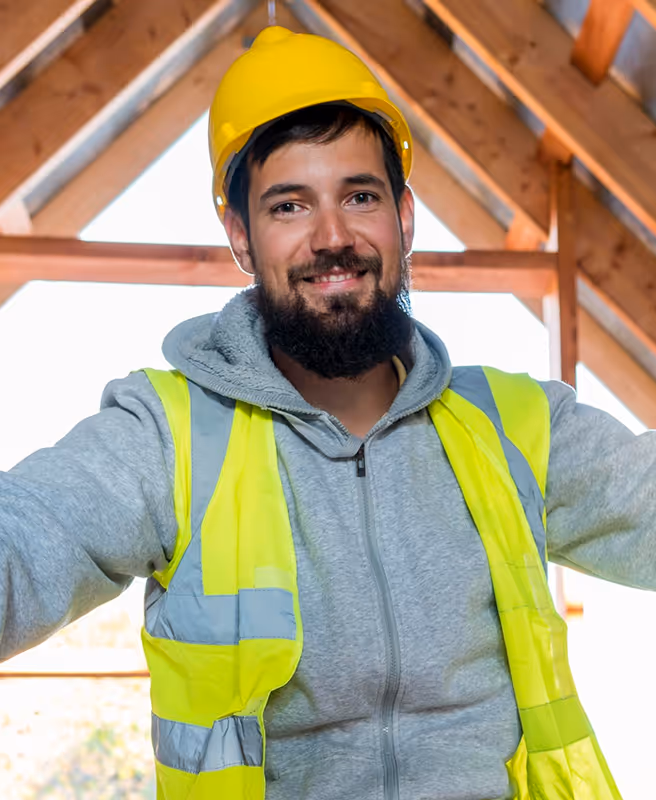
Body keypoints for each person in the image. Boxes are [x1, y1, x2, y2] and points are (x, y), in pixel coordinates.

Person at [1, 25, 654, 800]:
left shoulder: (516, 424)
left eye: (360, 195)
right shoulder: (167, 437)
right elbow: (25, 546)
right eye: (289, 206)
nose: (334, 237)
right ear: (241, 237)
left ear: (403, 218)